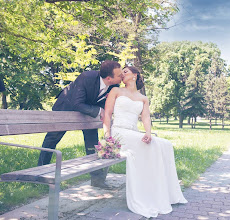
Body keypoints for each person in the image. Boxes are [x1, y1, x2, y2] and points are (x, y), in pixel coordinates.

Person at [103, 66, 187, 218]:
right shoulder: (116, 91)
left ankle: (165, 193)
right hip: (119, 133)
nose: (122, 74)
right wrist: (107, 137)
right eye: (121, 72)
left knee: (165, 144)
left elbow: (146, 118)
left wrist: (148, 133)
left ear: (135, 75)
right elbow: (107, 115)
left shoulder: (143, 98)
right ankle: (147, 195)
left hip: (133, 132)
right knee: (152, 146)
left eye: (125, 71)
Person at [38, 60, 123, 189]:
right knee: (51, 140)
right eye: (119, 74)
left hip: (88, 113)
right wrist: (99, 111)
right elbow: (76, 104)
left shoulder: (113, 86)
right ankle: (40, 175)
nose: (122, 76)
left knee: (92, 145)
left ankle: (97, 180)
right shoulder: (86, 77)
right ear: (109, 78)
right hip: (65, 108)